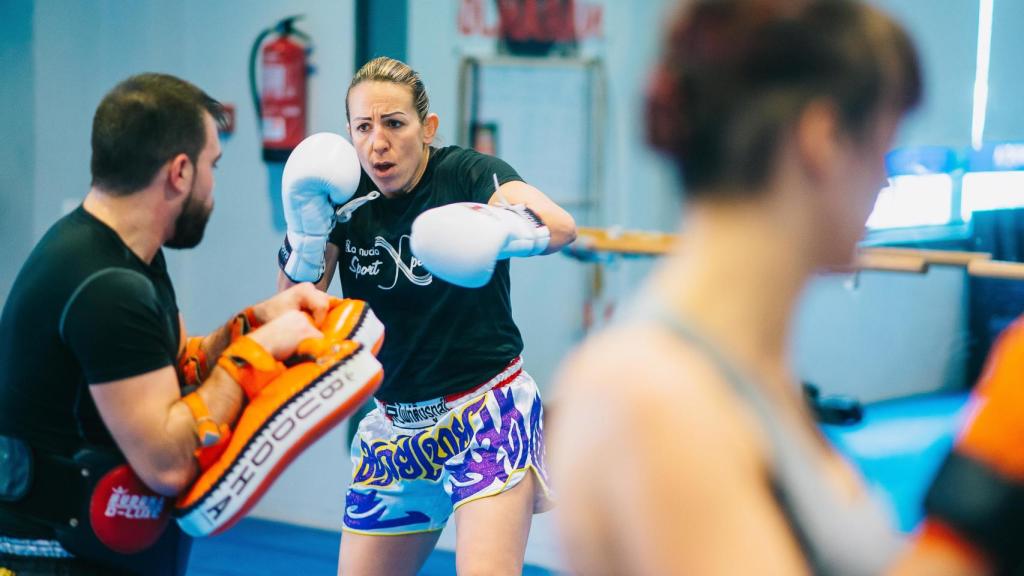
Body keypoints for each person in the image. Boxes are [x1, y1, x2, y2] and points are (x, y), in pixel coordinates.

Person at [548, 1, 1021, 575]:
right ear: (823, 139)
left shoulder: (746, 370)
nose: (885, 180)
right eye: (882, 147)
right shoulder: (652, 393)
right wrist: (990, 472)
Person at [0, 73, 348, 576]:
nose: (212, 186)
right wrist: (255, 354)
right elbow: (168, 463)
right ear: (180, 172)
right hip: (50, 559)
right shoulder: (106, 286)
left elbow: (178, 365)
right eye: (213, 166)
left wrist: (254, 324)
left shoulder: (129, 257)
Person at [276, 56, 577, 575]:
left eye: (394, 124)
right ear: (349, 133)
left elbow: (561, 225)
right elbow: (292, 311)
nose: (378, 143)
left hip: (486, 415)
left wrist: (500, 226)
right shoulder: (344, 198)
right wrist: (304, 235)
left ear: (427, 127)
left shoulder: (466, 173)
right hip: (395, 429)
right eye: (364, 127)